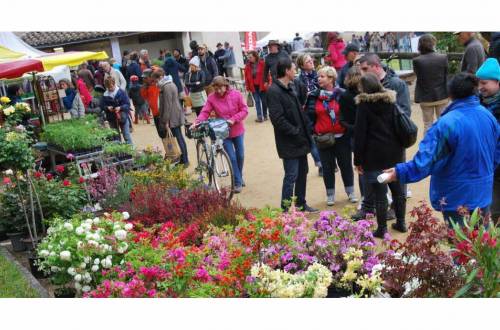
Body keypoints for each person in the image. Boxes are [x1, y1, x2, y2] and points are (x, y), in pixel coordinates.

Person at [384, 73, 499, 227]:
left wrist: (400, 172)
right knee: (480, 243)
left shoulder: (447, 124)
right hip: (483, 191)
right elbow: (496, 152)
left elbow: (428, 160)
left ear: (450, 95)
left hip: (457, 196)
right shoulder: (488, 116)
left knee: (460, 244)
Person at [354, 53, 411, 220]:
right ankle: (374, 210)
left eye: (365, 69)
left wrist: (357, 159)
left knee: (388, 186)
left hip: (385, 149)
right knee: (387, 186)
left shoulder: (395, 85)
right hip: (384, 149)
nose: (362, 73)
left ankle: (386, 222)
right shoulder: (382, 99)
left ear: (376, 66)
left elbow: (404, 114)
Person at [267, 57, 318, 213]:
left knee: (303, 172)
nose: (295, 71)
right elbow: (277, 119)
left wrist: (307, 129)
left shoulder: (292, 85)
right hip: (289, 142)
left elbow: (300, 110)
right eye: (293, 69)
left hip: (301, 139)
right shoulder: (274, 91)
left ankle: (301, 204)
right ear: (287, 71)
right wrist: (295, 132)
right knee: (291, 176)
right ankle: (285, 210)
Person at [306, 66, 358, 206]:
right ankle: (330, 195)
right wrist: (314, 131)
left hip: (342, 137)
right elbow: (309, 116)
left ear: (331, 78)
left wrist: (348, 130)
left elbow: (350, 113)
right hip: (323, 138)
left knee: (346, 165)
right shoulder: (313, 95)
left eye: (322, 76)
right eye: (318, 76)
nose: (319, 79)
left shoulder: (343, 94)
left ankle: (351, 192)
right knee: (327, 167)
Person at [195, 76, 248, 193]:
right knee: (232, 157)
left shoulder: (236, 94)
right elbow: (205, 112)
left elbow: (244, 110)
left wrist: (234, 119)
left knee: (240, 155)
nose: (218, 91)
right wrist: (197, 122)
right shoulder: (211, 98)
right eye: (216, 89)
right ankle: (237, 182)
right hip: (223, 132)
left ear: (225, 85)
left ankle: (239, 175)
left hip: (238, 129)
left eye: (220, 88)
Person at [476, 58, 500, 223]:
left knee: (494, 211)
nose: (480, 87)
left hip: (495, 165)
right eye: (478, 83)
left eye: (484, 83)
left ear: (497, 81)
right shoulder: (477, 102)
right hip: (483, 165)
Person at [413, 34, 449, 134]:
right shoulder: (443, 57)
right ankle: (445, 146)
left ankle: (428, 148)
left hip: (425, 97)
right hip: (442, 96)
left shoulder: (416, 61)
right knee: (443, 123)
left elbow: (419, 77)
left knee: (427, 124)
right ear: (433, 43)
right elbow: (446, 76)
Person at [153, 69, 189, 166]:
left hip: (172, 115)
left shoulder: (167, 86)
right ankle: (184, 158)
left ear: (160, 77)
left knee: (179, 138)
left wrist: (165, 120)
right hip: (175, 113)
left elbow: (167, 105)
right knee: (179, 137)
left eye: (156, 80)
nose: (156, 83)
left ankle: (185, 160)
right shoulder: (169, 84)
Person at [339, 66, 364, 203]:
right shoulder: (363, 94)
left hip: (354, 135)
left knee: (361, 165)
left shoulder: (344, 95)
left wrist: (353, 128)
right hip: (363, 134)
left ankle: (366, 197)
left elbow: (342, 120)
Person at [294, 54, 322, 176]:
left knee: (322, 135)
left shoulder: (320, 74)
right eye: (307, 60)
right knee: (311, 138)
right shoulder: (298, 80)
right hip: (307, 112)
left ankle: (327, 161)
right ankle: (320, 163)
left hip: (321, 109)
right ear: (301, 65)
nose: (311, 61)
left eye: (311, 59)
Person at [100, 76, 133, 144]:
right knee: (116, 136)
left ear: (114, 84)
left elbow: (127, 104)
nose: (110, 89)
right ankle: (120, 151)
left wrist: (120, 108)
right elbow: (102, 106)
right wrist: (107, 108)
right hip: (111, 117)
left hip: (122, 116)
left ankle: (131, 150)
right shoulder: (104, 95)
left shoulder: (121, 92)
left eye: (111, 87)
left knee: (126, 135)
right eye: (108, 88)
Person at [244, 50, 270, 122]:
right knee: (257, 101)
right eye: (248, 57)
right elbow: (246, 77)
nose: (249, 59)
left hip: (262, 86)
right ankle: (259, 117)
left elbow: (267, 74)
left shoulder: (262, 63)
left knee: (264, 101)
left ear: (255, 57)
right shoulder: (247, 66)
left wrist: (267, 82)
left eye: (250, 57)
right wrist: (247, 86)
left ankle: (265, 115)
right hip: (253, 86)